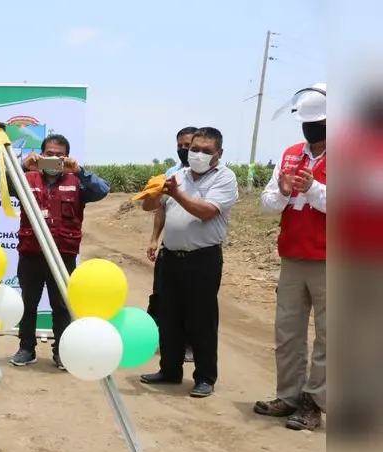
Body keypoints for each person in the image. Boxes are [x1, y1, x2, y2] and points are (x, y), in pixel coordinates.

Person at [140, 127, 239, 397]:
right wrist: (151, 193)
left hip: (202, 259)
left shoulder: (225, 178)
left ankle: (205, 377)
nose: (197, 154)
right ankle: (169, 370)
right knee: (170, 316)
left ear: (219, 153)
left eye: (206, 151)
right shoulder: (176, 176)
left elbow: (206, 211)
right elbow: (150, 207)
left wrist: (176, 195)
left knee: (201, 320)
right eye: (194, 149)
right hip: (171, 257)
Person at [253, 83, 327, 430]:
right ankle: (289, 396)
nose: (312, 129)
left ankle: (315, 403)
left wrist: (312, 187)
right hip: (294, 256)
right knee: (288, 332)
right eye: (308, 122)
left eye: (320, 123)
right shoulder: (289, 154)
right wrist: (282, 191)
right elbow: (267, 206)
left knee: (330, 336)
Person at [9, 134, 111, 369]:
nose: (53, 158)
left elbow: (103, 190)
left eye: (59, 155)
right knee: (28, 303)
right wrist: (22, 166)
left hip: (62, 253)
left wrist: (79, 170)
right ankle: (26, 348)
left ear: (66, 156)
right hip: (31, 252)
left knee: (62, 304)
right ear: (41, 154)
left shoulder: (77, 181)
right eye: (49, 154)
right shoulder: (27, 178)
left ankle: (61, 352)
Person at [148, 127, 198, 363]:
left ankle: (189, 344)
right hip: (169, 248)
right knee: (162, 296)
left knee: (191, 300)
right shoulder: (171, 173)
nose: (183, 150)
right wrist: (154, 239)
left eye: (188, 145)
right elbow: (160, 209)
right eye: (180, 145)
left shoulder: (213, 175)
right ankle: (162, 340)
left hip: (198, 251)